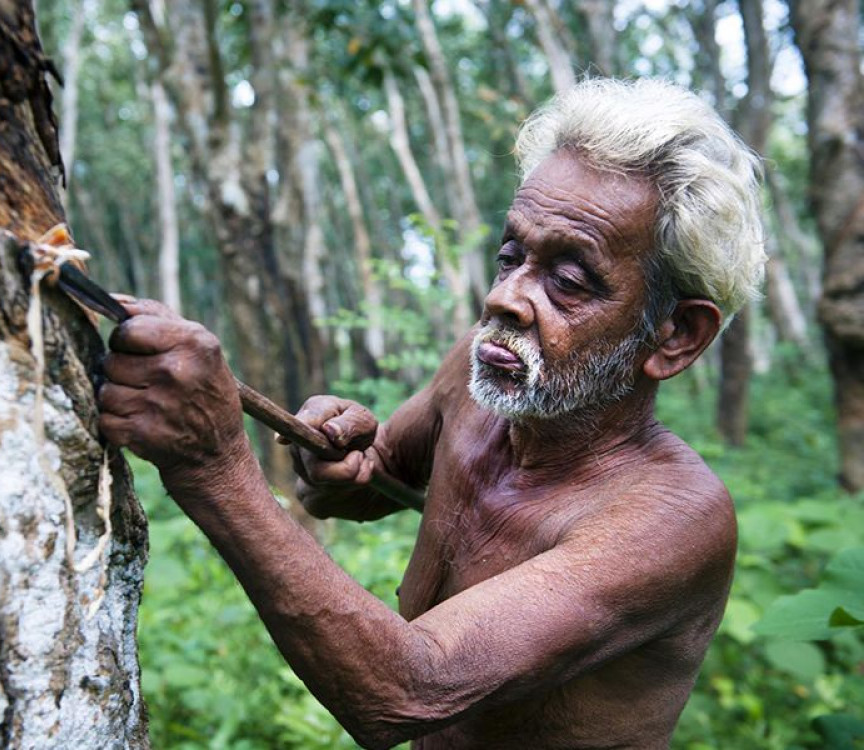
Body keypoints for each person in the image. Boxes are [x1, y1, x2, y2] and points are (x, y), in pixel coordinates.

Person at [98, 78, 765, 749]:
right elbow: (375, 473)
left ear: (675, 335)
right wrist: (338, 462)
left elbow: (411, 690)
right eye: (510, 256)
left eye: (567, 280)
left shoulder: (670, 522)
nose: (506, 298)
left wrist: (213, 467)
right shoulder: (477, 378)